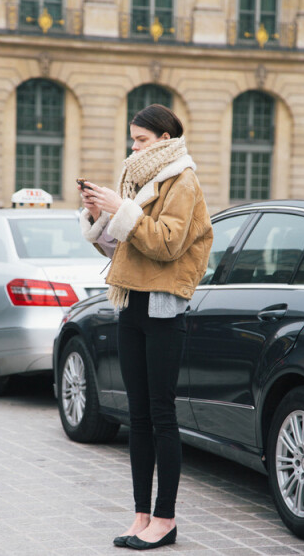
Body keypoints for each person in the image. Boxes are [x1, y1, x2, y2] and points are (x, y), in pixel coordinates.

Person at [78, 104, 213, 551]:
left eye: (141, 140)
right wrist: (101, 214)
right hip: (130, 300)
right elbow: (123, 249)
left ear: (165, 137)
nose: (133, 146)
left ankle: (166, 519)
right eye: (132, 139)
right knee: (137, 417)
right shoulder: (138, 178)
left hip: (163, 307)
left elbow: (168, 243)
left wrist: (123, 209)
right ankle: (141, 515)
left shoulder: (182, 179)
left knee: (160, 415)